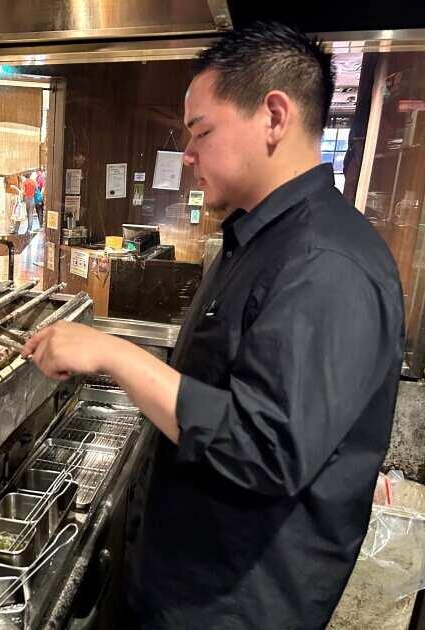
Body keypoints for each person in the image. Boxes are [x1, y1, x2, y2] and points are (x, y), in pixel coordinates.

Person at [23, 22, 403, 630]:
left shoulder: (324, 263)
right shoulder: (254, 238)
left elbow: (266, 448)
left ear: (274, 116)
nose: (188, 153)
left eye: (201, 132)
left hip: (230, 603)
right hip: (179, 572)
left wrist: (117, 355)